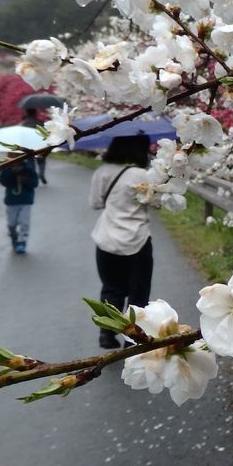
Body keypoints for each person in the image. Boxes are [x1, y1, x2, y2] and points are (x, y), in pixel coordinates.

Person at [90, 135, 155, 349]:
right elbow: (157, 203)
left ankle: (106, 334)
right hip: (137, 240)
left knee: (111, 288)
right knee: (138, 292)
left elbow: (96, 203)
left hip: (106, 239)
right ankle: (132, 339)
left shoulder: (102, 171)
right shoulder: (144, 175)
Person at [0, 158, 40, 254]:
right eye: (14, 166)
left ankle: (22, 242)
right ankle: (14, 238)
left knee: (24, 222)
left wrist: (24, 179)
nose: (16, 167)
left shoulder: (29, 170)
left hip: (26, 201)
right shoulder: (7, 170)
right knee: (11, 224)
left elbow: (35, 183)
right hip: (12, 201)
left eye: (18, 165)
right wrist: (11, 172)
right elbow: (3, 181)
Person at [20, 108, 49, 184]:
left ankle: (34, 176)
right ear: (35, 113)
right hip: (39, 145)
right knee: (41, 161)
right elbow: (45, 134)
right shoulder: (40, 122)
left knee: (30, 162)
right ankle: (41, 174)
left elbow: (21, 135)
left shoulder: (24, 124)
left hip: (28, 146)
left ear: (27, 113)